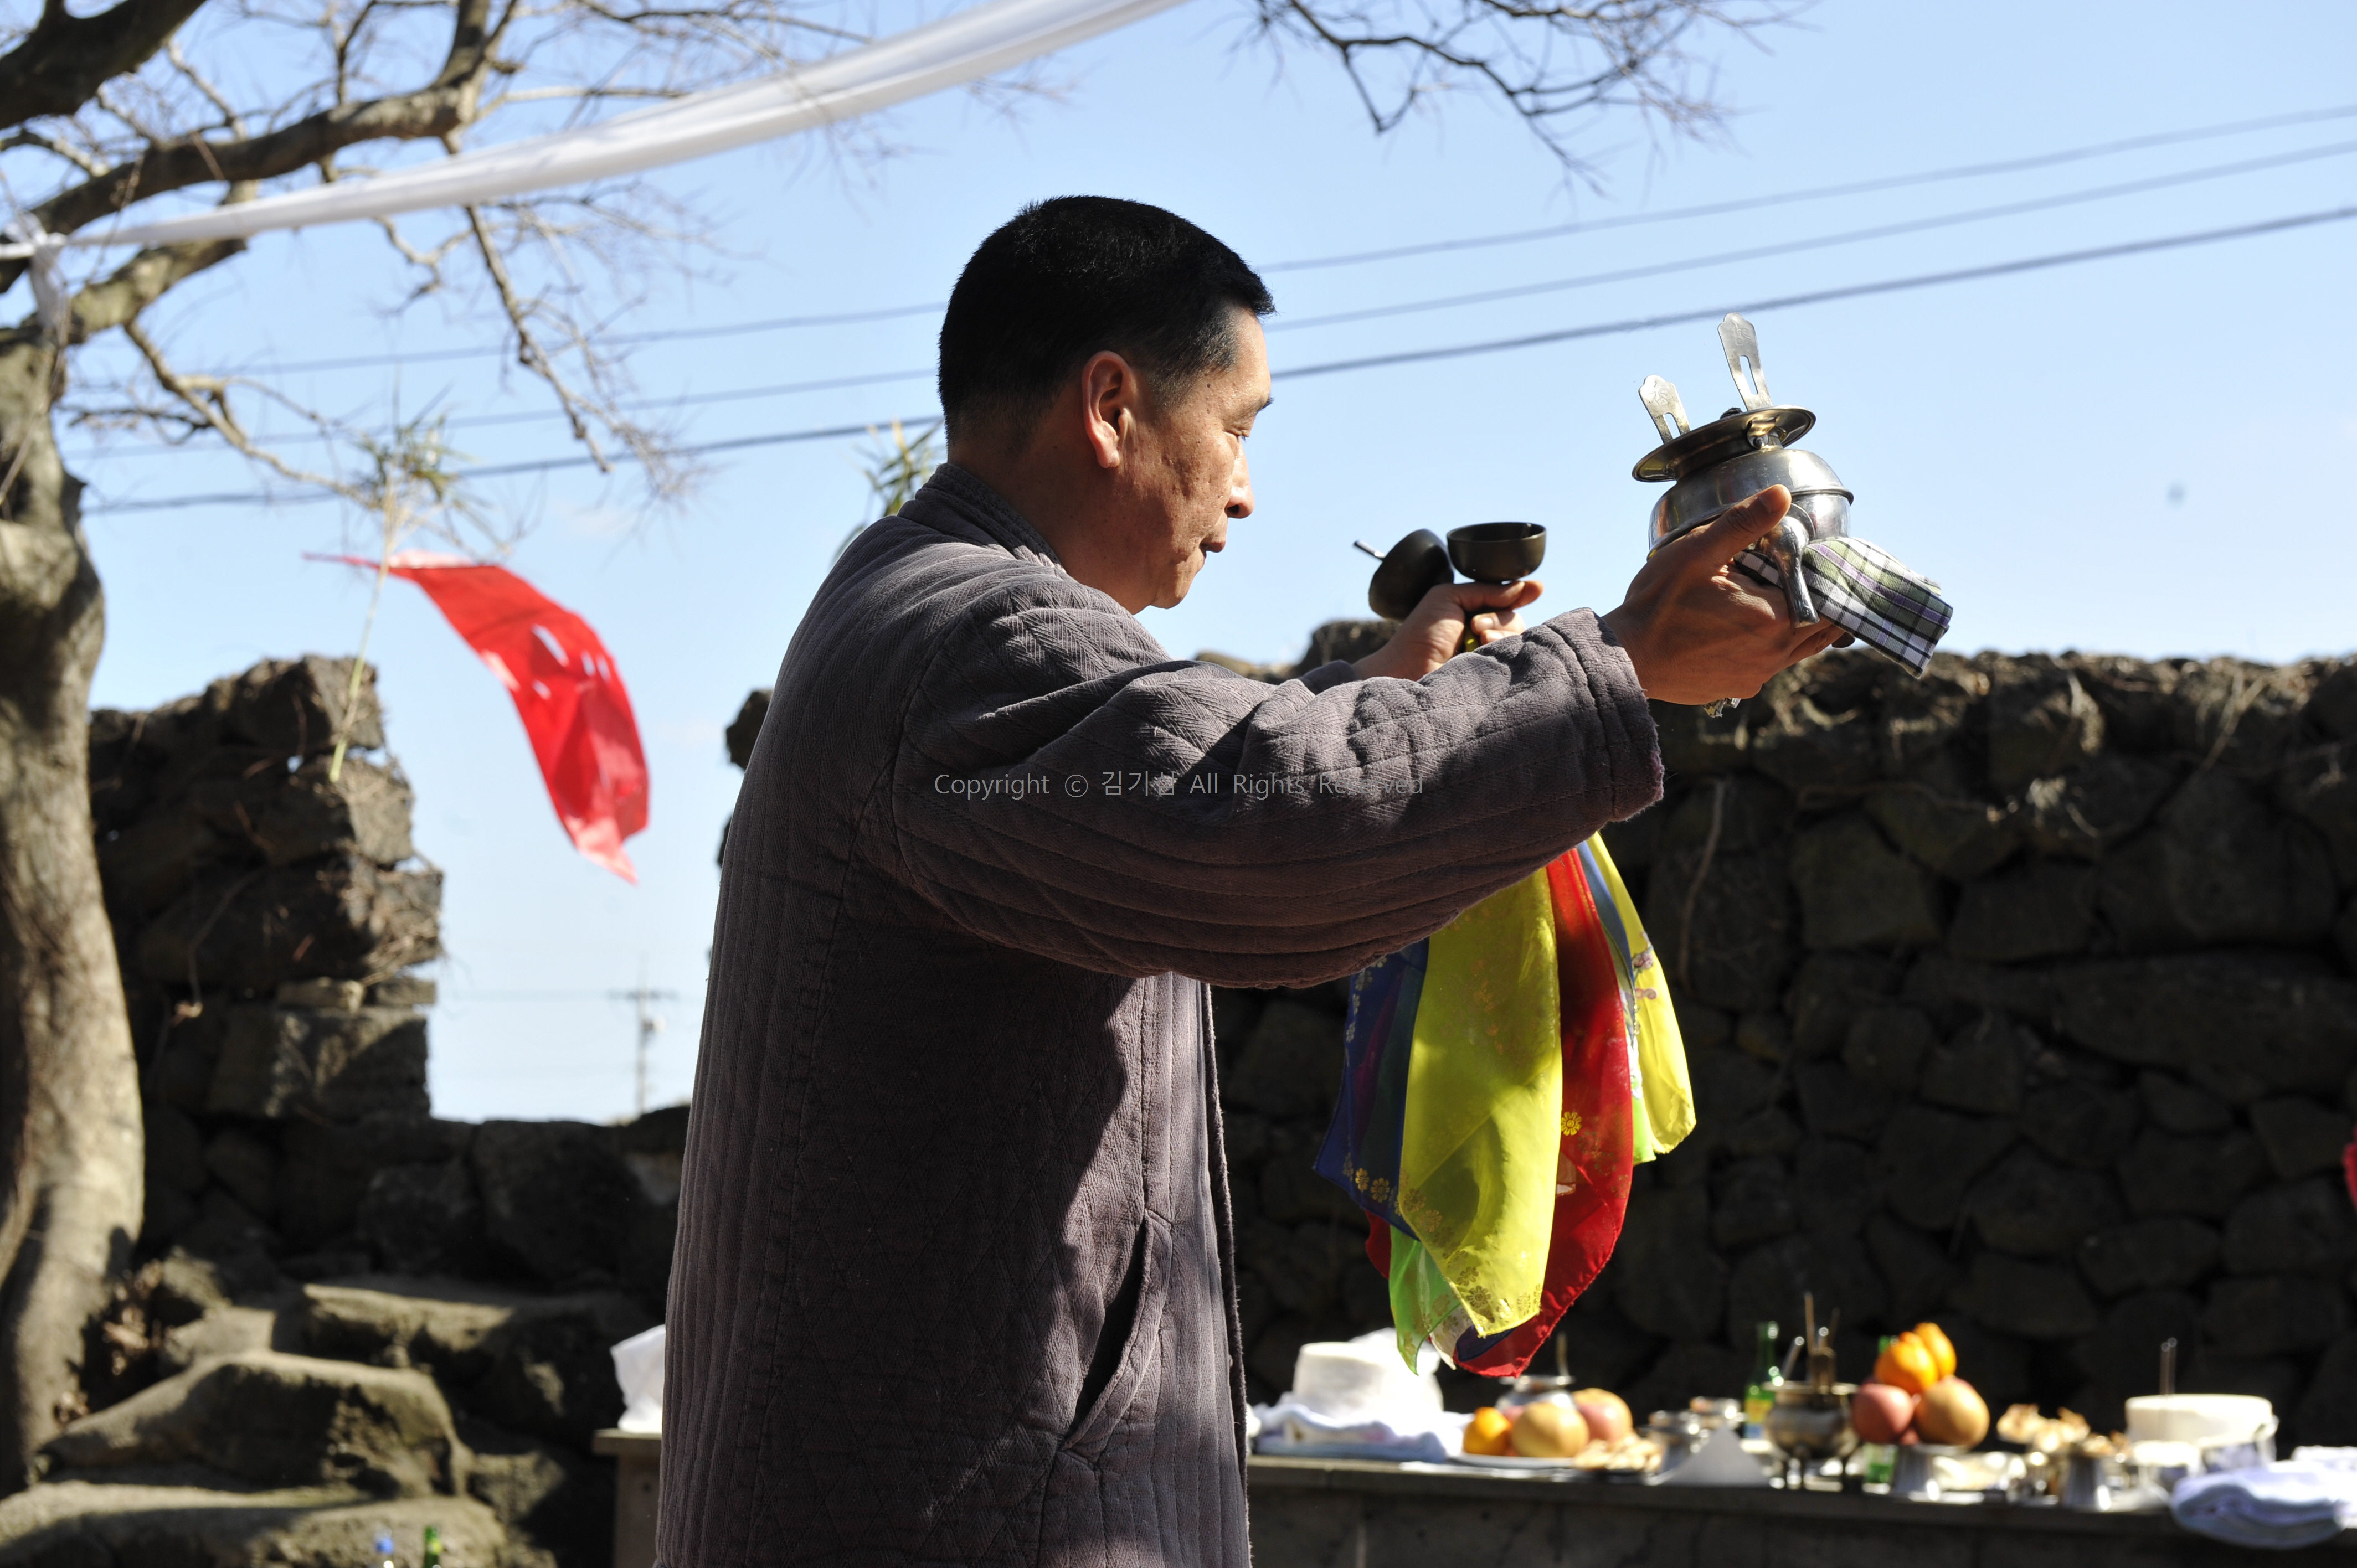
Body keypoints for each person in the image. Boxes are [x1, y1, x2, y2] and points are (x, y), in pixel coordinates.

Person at [660, 196, 1839, 1566]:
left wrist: (1377, 690)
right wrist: (1612, 664)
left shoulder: (917, 606)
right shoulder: (969, 635)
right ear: (1111, 407)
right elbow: (1264, 826)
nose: (1245, 490)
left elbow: (1165, 774)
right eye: (1237, 427)